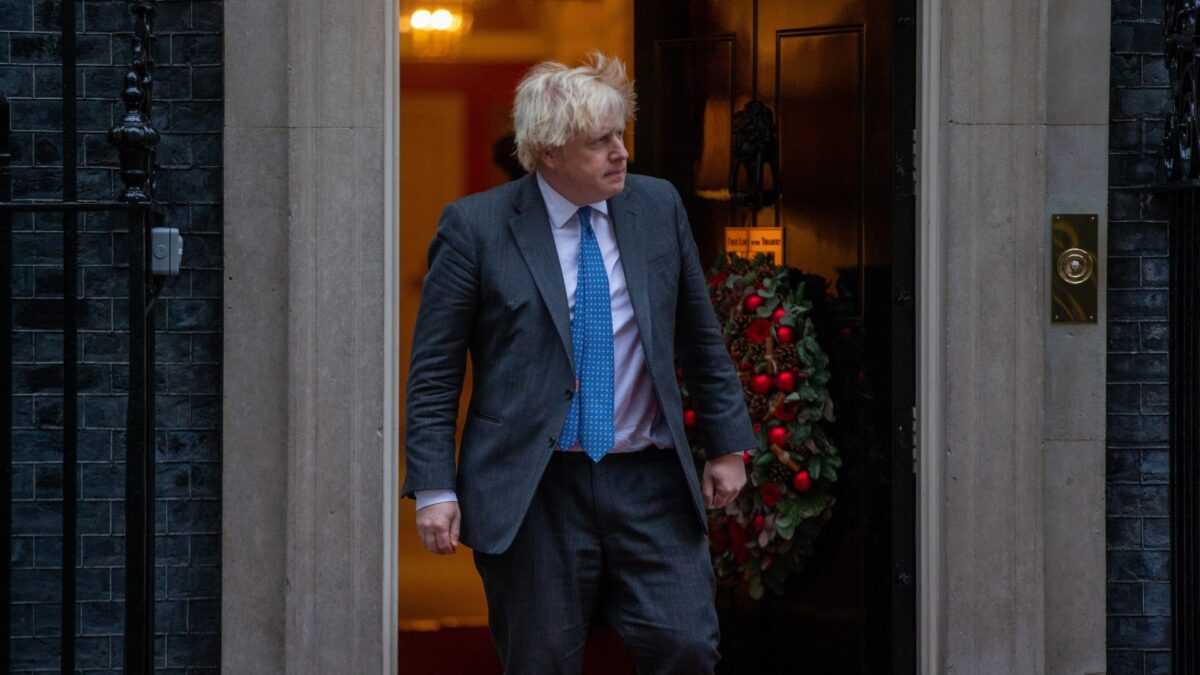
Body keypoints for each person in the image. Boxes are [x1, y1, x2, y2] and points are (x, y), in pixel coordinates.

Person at [401, 52, 755, 675]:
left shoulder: (657, 205)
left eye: (621, 135)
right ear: (549, 153)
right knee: (540, 661)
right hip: (535, 487)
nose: (621, 152)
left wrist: (728, 444)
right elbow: (434, 371)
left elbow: (699, 333)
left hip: (649, 477)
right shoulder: (475, 227)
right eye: (601, 142)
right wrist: (434, 486)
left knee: (686, 646)